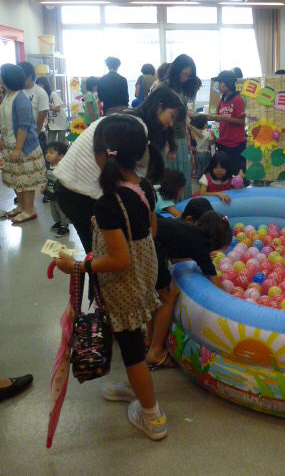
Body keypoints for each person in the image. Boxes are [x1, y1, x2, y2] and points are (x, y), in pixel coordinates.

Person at [55, 115, 167, 441]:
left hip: (123, 285)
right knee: (132, 340)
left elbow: (119, 259)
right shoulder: (144, 187)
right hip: (143, 277)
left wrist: (78, 266)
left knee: (130, 350)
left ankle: (152, 416)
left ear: (102, 155)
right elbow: (150, 230)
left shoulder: (108, 203)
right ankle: (138, 388)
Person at [55, 86, 185, 254]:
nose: (171, 124)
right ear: (160, 107)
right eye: (172, 116)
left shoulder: (128, 119)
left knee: (101, 250)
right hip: (76, 191)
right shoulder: (135, 127)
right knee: (100, 251)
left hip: (73, 187)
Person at [146, 210, 232, 368]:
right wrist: (231, 299)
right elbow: (213, 278)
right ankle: (155, 351)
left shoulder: (188, 231)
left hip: (146, 243)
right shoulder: (200, 246)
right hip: (152, 251)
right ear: (215, 243)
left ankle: (149, 339)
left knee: (157, 295)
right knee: (168, 296)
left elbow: (175, 252)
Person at [0, 64, 45, 223]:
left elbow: (23, 126)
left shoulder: (20, 98)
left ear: (8, 78)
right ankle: (21, 206)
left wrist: (18, 149)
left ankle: (29, 210)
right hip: (10, 144)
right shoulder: (8, 96)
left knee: (26, 179)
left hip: (23, 147)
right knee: (16, 178)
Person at [161, 54, 201, 199]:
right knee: (170, 176)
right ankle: (170, 208)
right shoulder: (164, 87)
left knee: (183, 174)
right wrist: (166, 142)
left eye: (189, 76)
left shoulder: (182, 90)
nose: (185, 78)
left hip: (181, 138)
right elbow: (159, 119)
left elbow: (182, 116)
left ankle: (183, 206)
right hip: (167, 139)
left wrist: (187, 136)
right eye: (183, 74)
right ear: (176, 70)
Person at [208, 70, 246, 175]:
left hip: (235, 145)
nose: (218, 86)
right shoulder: (222, 99)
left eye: (220, 83)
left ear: (228, 83)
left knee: (235, 174)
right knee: (225, 174)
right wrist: (210, 117)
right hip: (223, 142)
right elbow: (219, 117)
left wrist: (226, 118)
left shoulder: (238, 99)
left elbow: (242, 121)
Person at [18, 61, 49, 154]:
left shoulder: (40, 92)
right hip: (19, 135)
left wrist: (35, 135)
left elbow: (42, 116)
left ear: (30, 76)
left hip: (36, 135)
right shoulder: (17, 91)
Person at [42, 141, 70, 237]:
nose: (47, 155)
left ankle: (64, 226)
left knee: (61, 209)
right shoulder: (48, 166)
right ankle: (58, 221)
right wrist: (44, 187)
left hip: (60, 194)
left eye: (51, 153)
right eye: (47, 152)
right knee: (54, 209)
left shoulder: (62, 168)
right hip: (51, 193)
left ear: (60, 156)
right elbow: (47, 178)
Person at [36, 76, 69, 144]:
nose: (39, 87)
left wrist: (47, 109)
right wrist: (47, 123)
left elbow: (58, 109)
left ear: (45, 85)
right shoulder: (41, 97)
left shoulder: (53, 94)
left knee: (60, 144)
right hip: (52, 124)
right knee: (50, 143)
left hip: (61, 122)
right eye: (37, 85)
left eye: (40, 85)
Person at [189, 114, 215, 178]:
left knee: (200, 168)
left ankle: (199, 180)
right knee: (206, 169)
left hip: (198, 153)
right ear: (204, 124)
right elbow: (212, 145)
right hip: (205, 154)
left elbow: (194, 138)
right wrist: (213, 156)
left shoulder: (195, 133)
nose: (207, 124)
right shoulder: (208, 133)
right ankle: (205, 180)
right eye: (206, 122)